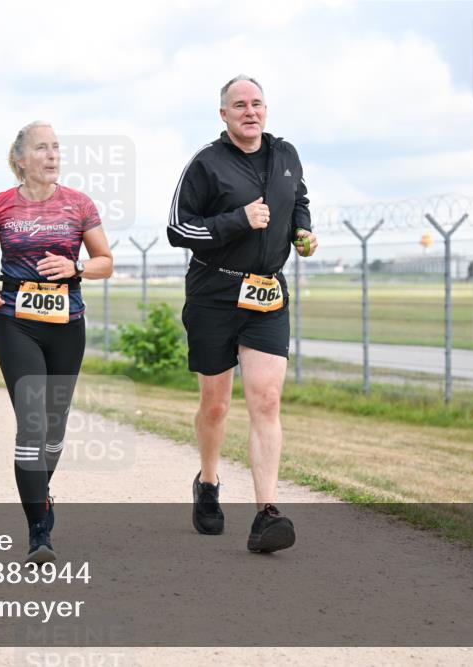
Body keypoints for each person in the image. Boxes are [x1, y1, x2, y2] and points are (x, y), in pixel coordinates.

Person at [166, 75, 318, 553]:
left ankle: (266, 513)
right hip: (214, 292)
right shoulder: (206, 163)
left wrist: (302, 231)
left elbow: (299, 201)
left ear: (265, 109)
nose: (250, 111)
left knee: (266, 400)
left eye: (256, 104)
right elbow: (177, 228)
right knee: (216, 404)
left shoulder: (286, 155)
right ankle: (208, 482)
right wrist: (238, 219)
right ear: (224, 115)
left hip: (267, 293)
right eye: (239, 105)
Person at [0, 121, 114, 564]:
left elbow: (105, 261)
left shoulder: (79, 204)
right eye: (41, 148)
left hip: (67, 323)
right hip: (16, 322)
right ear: (19, 159)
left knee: (54, 427)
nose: (52, 155)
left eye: (56, 147)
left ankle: (41, 492)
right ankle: (39, 529)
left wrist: (76, 268)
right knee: (31, 423)